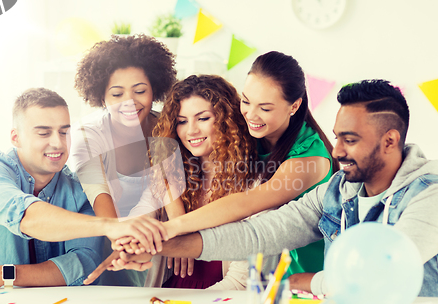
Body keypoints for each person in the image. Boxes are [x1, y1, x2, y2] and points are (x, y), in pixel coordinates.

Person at [109, 79, 438, 297]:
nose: (336, 151)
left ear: (390, 140)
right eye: (337, 137)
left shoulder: (429, 193)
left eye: (349, 141)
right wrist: (157, 247)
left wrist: (301, 282)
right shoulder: (338, 191)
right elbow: (257, 235)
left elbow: (381, 277)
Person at [113, 51, 338, 281]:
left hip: (303, 274)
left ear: (294, 106)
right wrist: (172, 206)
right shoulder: (251, 132)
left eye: (265, 108)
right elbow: (167, 149)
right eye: (246, 101)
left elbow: (248, 203)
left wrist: (175, 229)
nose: (250, 115)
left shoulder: (310, 161)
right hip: (266, 268)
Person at [0, 88, 166, 289]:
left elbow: (83, 263)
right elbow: (27, 217)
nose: (58, 143)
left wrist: (6, 275)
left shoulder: (78, 191)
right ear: (16, 137)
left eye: (64, 132)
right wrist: (111, 226)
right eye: (44, 133)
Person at [126, 74, 260, 289]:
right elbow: (141, 217)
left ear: (228, 120)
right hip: (170, 297)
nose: (191, 130)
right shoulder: (169, 176)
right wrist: (133, 241)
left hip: (217, 302)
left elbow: (241, 280)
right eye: (181, 121)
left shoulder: (254, 185)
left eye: (203, 118)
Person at [70, 34, 177, 286]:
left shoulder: (169, 128)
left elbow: (161, 193)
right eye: (117, 94)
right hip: (105, 239)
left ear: (155, 88)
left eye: (140, 91)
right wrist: (120, 239)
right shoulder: (87, 135)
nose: (129, 102)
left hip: (155, 241)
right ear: (101, 96)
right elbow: (98, 192)